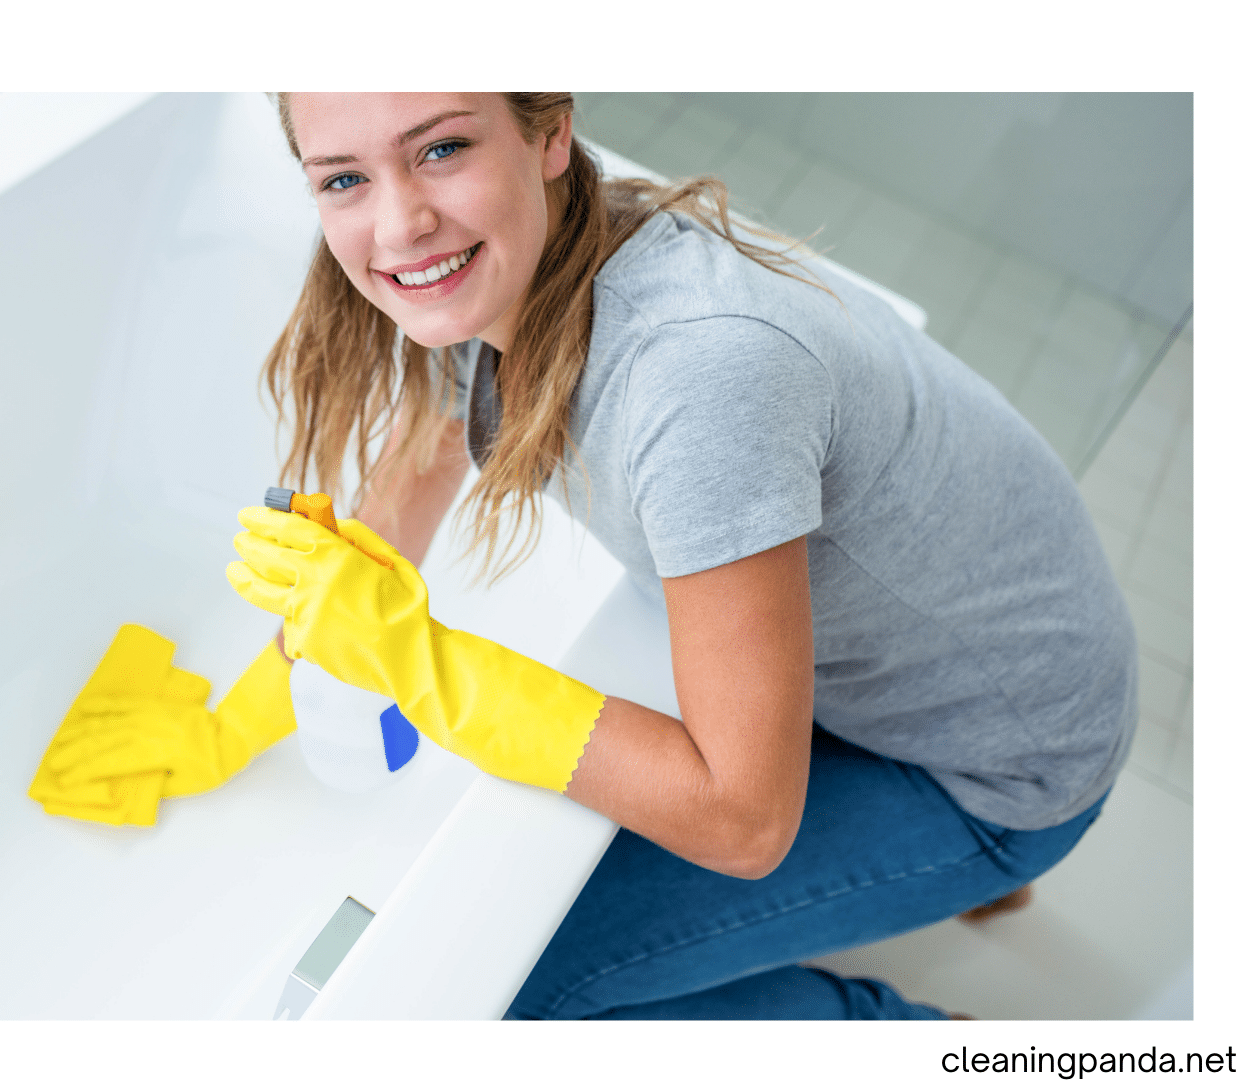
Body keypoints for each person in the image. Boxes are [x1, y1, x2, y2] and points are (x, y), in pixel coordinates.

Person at [217, 93, 1138, 1021]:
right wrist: (236, 718)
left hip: (1005, 765)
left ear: (549, 131)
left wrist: (422, 664)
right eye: (344, 178)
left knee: (504, 989)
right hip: (951, 658)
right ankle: (947, 879)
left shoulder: (699, 370)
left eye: (443, 148)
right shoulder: (530, 245)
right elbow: (402, 501)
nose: (399, 224)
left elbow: (744, 822)